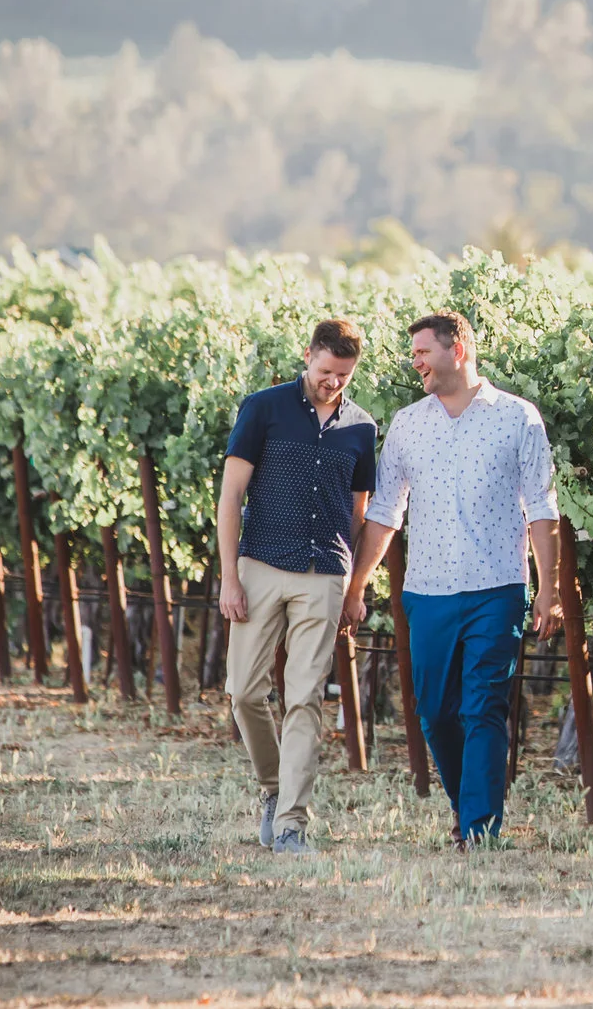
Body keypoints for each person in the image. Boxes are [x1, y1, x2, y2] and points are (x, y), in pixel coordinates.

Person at [343, 310, 563, 846]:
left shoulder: (518, 418)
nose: (415, 361)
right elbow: (384, 514)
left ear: (457, 348)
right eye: (414, 353)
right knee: (436, 713)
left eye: (423, 351)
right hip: (428, 593)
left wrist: (549, 590)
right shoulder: (408, 424)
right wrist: (356, 586)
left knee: (483, 706)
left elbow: (541, 506)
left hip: (498, 588)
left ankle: (479, 830)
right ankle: (468, 807)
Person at [218, 317, 379, 855]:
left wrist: (353, 585)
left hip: (324, 576)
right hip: (260, 566)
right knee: (244, 692)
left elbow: (358, 516)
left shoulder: (362, 428)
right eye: (327, 371)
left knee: (306, 698)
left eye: (345, 376)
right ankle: (272, 788)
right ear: (308, 355)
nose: (334, 382)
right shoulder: (263, 408)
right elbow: (230, 497)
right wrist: (229, 578)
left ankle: (292, 823)